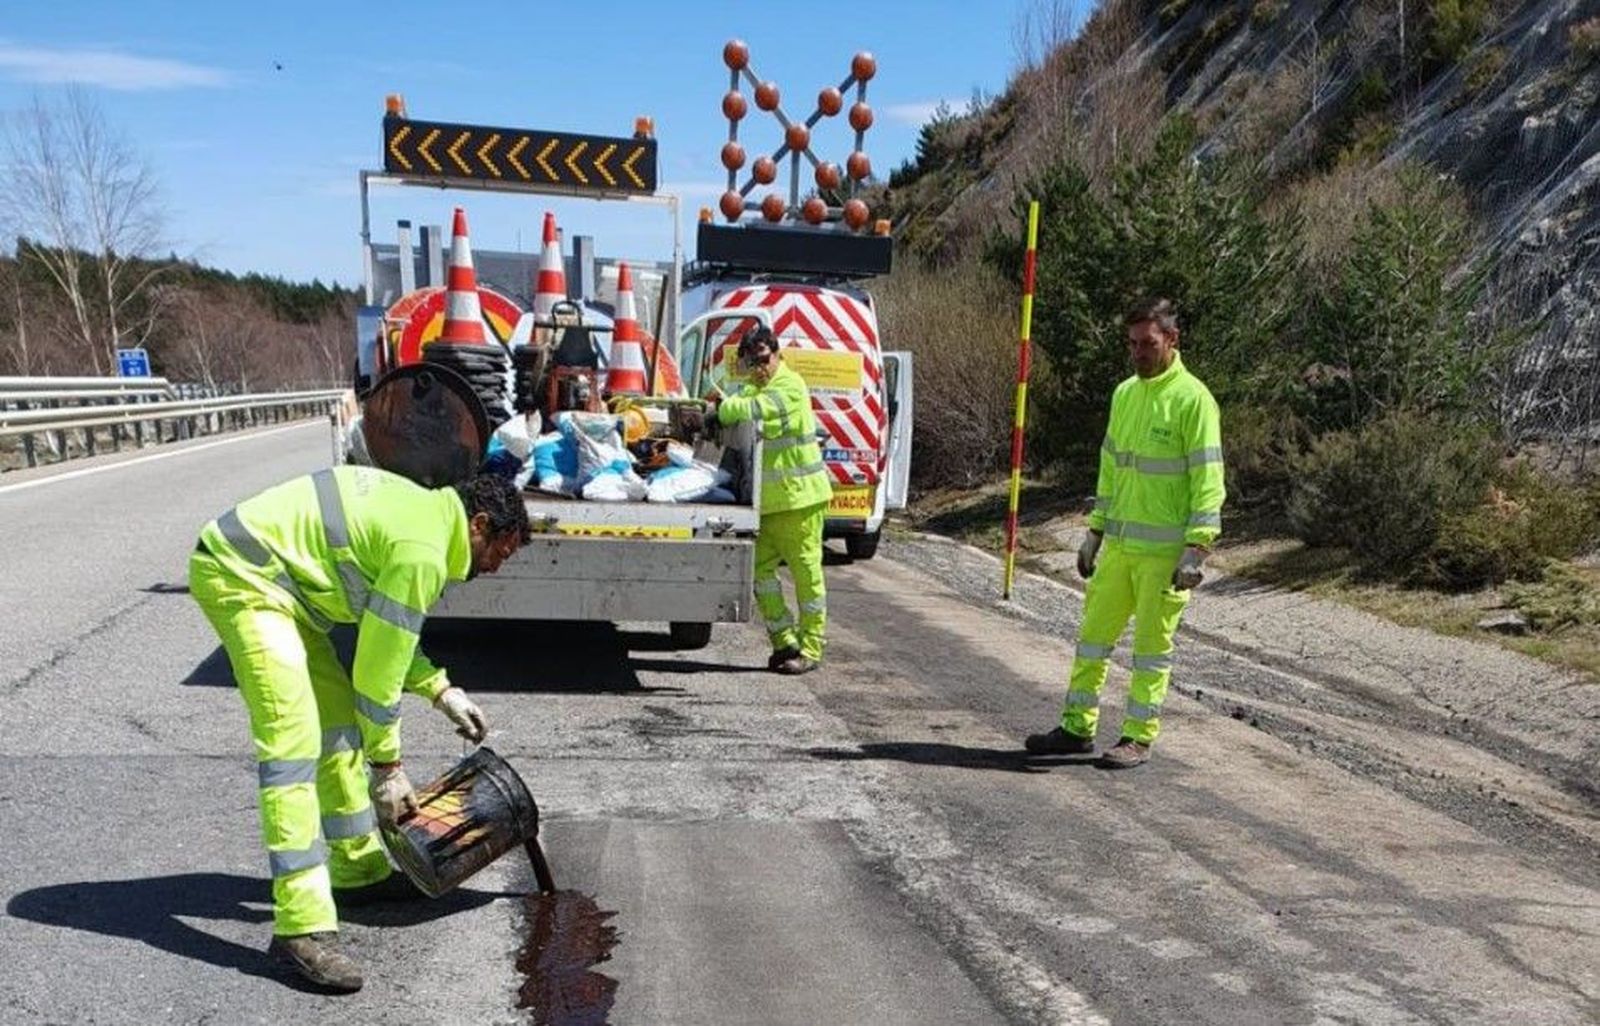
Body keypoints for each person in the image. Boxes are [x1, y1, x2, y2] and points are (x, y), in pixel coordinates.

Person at [188, 468, 529, 991]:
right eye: (500, 551)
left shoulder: (428, 523)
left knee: (338, 729)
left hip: (287, 593)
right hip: (242, 575)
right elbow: (377, 676)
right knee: (292, 744)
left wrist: (440, 690)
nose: (496, 566)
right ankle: (299, 930)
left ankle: (356, 873)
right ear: (479, 524)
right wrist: (388, 768)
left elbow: (387, 635)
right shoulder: (423, 549)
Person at [1026, 298, 1224, 769]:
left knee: (1151, 652)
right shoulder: (1125, 394)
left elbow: (1208, 479)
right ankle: (1076, 728)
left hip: (1164, 557)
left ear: (1172, 340)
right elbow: (1111, 470)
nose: (1138, 352)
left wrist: (1197, 549)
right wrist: (1094, 532)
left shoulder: (1194, 400)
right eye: (1132, 343)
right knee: (1092, 641)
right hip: (1118, 550)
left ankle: (1137, 736)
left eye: (1147, 343)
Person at [705, 325, 833, 674]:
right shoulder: (755, 384)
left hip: (799, 503)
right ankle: (784, 642)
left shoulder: (789, 386)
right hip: (770, 506)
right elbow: (738, 399)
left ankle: (810, 650)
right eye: (753, 363)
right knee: (759, 574)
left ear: (777, 353)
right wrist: (718, 404)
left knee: (807, 579)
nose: (760, 368)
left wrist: (724, 409)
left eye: (764, 360)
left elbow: (754, 410)